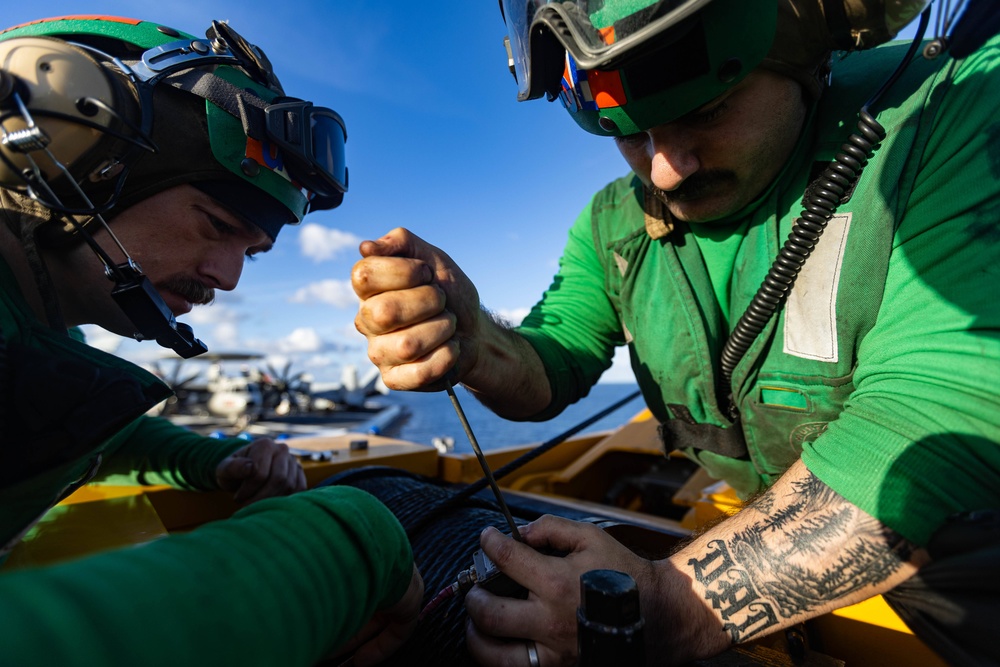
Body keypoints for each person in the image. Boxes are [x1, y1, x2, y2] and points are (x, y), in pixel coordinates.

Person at [352, 0, 999, 665]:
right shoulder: (613, 227)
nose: (664, 170)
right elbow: (557, 359)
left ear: (805, 43)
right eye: (628, 133)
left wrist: (675, 602)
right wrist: (478, 344)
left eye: (706, 110)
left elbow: (942, 422)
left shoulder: (960, 101)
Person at [0, 14, 421, 665]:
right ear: (69, 147)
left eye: (248, 254)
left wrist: (213, 461)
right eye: (215, 224)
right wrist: (358, 538)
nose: (225, 277)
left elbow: (74, 428)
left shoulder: (37, 331)